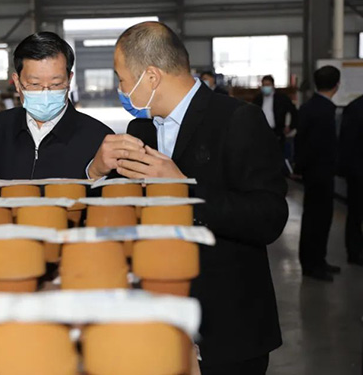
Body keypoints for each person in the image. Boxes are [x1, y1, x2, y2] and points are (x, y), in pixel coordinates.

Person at [89, 22, 287, 375]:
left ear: (151, 77)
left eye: (122, 79)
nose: (120, 90)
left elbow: (268, 216)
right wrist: (96, 170)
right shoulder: (141, 129)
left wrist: (184, 188)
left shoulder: (237, 119)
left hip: (227, 326)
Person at [0, 32, 112, 179]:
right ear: (17, 83)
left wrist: (93, 175)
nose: (45, 93)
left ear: (69, 80)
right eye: (35, 84)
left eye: (56, 84)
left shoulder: (99, 139)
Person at [295, 66, 341, 280]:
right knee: (319, 220)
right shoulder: (325, 110)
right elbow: (320, 145)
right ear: (337, 85)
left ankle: (315, 261)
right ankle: (314, 265)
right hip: (321, 173)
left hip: (312, 172)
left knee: (313, 218)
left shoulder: (308, 107)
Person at [339, 94, 363, 266]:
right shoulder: (356, 108)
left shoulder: (354, 107)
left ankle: (355, 251)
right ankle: (354, 252)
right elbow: (348, 142)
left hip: (356, 171)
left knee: (355, 213)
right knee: (356, 213)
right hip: (358, 173)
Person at [253, 75, 298, 154]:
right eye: (264, 85)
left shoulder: (282, 98)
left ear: (273, 85)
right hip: (261, 133)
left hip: (277, 133)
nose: (266, 87)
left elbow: (294, 112)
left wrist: (291, 127)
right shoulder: (258, 99)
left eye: (268, 85)